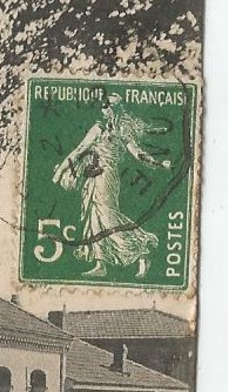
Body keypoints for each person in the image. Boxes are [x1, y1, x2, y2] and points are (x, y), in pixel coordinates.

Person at [51, 92, 172, 278]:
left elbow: (137, 153)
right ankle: (101, 264)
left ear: (114, 109)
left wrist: (157, 163)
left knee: (107, 216)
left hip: (108, 176)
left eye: (106, 106)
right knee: (93, 216)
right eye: (102, 106)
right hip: (93, 177)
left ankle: (141, 250)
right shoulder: (97, 129)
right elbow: (79, 150)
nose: (103, 109)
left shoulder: (122, 131)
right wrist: (60, 172)